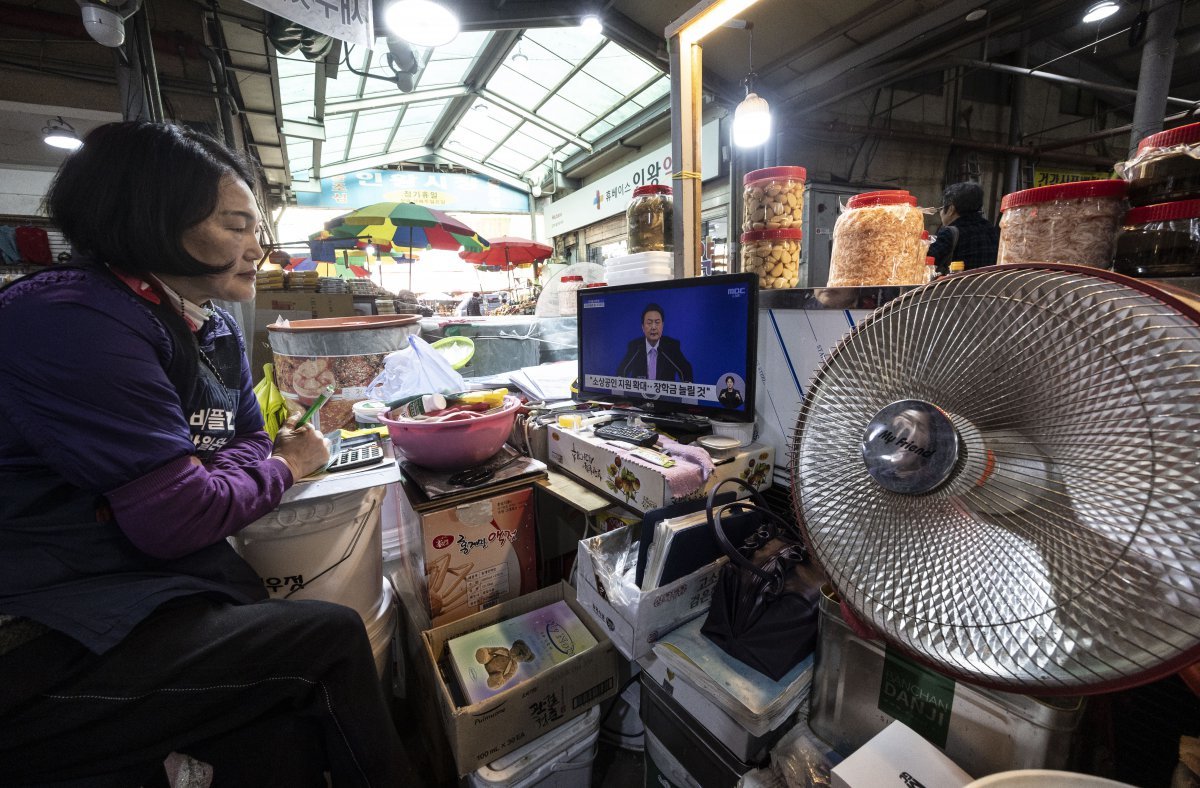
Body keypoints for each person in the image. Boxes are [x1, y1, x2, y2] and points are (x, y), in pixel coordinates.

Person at [0, 121, 413, 786]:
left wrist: (222, 475)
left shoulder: (210, 324)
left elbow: (244, 439)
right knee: (327, 642)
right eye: (236, 225)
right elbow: (178, 518)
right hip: (48, 633)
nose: (260, 248)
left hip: (148, 599)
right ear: (154, 218)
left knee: (278, 729)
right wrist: (281, 469)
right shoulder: (71, 320)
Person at [928, 182, 1000, 273]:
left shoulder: (950, 232)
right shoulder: (990, 228)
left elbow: (928, 260)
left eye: (941, 208)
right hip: (989, 284)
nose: (940, 213)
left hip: (960, 285)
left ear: (951, 209)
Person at [615, 303, 694, 382]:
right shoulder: (635, 347)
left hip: (664, 394)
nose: (653, 327)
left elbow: (686, 371)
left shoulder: (672, 346)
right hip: (639, 394)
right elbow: (621, 372)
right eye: (649, 323)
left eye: (657, 322)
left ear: (662, 325)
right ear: (642, 327)